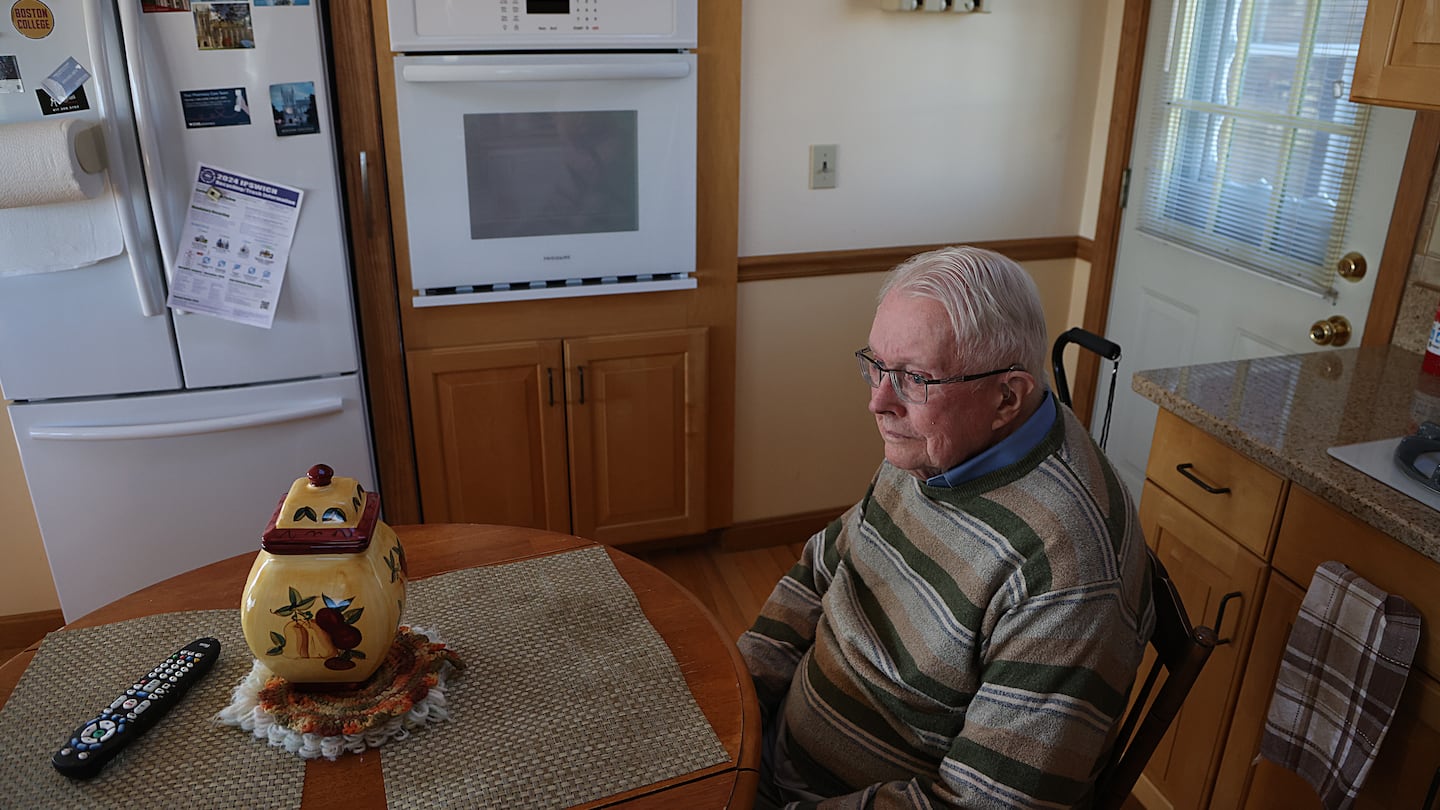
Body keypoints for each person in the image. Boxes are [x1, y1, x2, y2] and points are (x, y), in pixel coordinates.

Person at [738, 245, 1155, 809]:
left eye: (912, 377)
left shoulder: (1068, 572)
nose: (877, 401)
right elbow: (824, 565)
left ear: (1007, 396)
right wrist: (741, 699)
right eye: (876, 366)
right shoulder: (943, 442)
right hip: (767, 752)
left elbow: (982, 803)